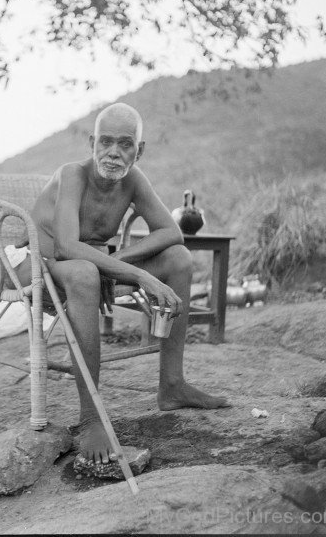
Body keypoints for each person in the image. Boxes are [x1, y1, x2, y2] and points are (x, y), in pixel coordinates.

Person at [12, 102, 230, 465]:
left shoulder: (133, 180)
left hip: (87, 264)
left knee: (179, 258)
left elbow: (170, 232)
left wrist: (116, 266)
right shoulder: (72, 174)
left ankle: (172, 385)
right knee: (84, 272)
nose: (114, 152)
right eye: (106, 142)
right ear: (92, 143)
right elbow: (66, 246)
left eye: (125, 144)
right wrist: (136, 274)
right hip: (36, 263)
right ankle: (90, 418)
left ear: (138, 150)